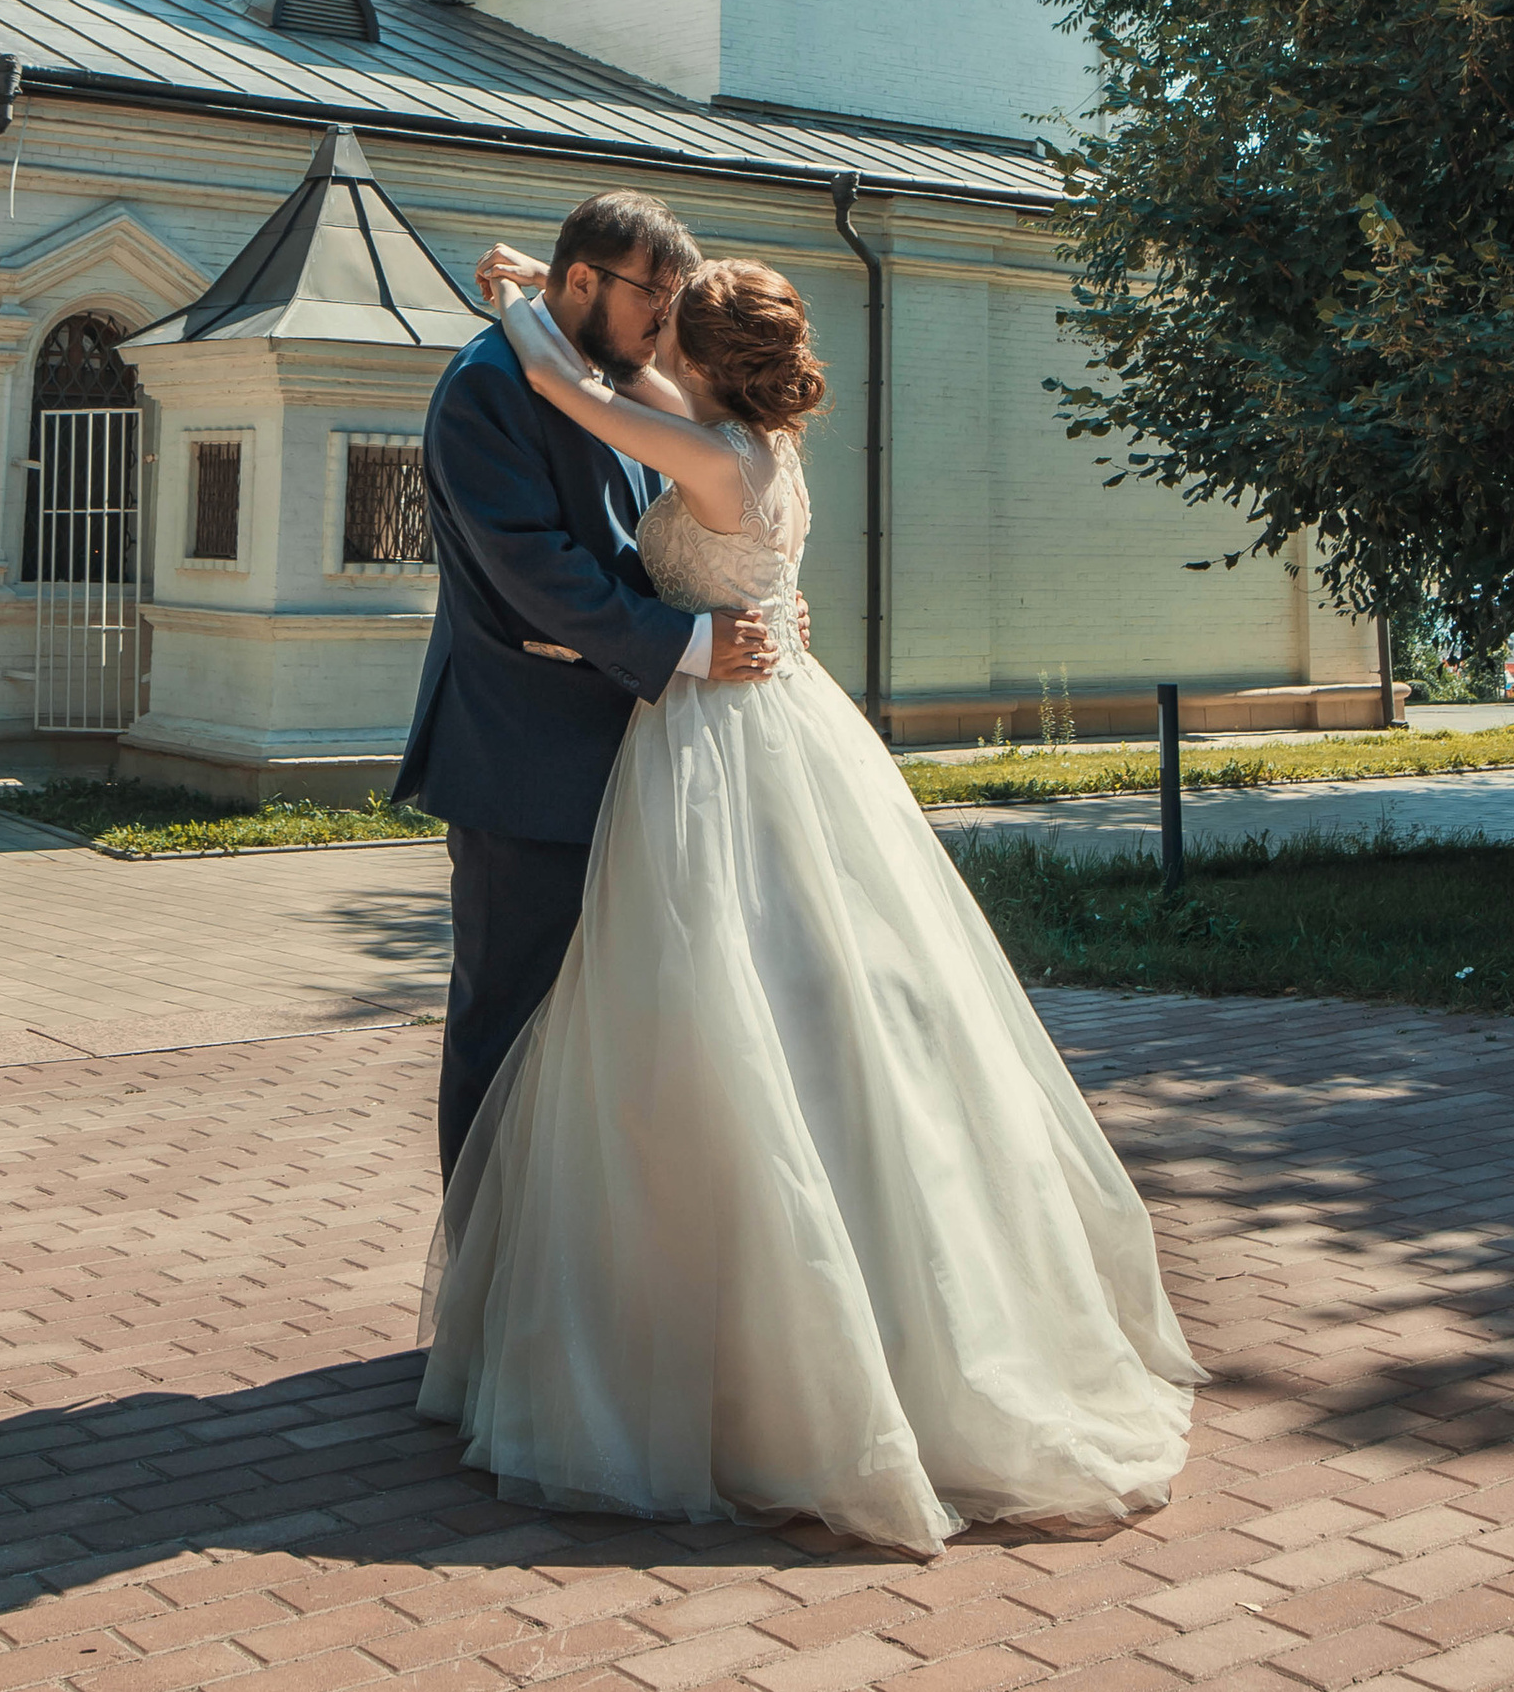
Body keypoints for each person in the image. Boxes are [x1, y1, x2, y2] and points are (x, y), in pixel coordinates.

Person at [418, 247, 1200, 1555]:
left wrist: (513, 303)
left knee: (710, 1001)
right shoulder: (763, 444)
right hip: (781, 715)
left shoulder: (702, 449)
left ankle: (734, 1351)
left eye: (672, 324)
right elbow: (640, 402)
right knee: (807, 1000)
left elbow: (570, 391)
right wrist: (528, 281)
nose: (652, 336)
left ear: (708, 355)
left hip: (714, 739)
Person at [393, 189, 786, 1182]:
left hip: (636, 758)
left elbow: (685, 533)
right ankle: (488, 1287)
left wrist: (759, 612)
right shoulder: (487, 388)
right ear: (581, 281)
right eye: (653, 297)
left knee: (612, 1038)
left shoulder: (607, 377)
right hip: (526, 765)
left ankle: (567, 1292)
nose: (666, 323)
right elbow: (538, 573)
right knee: (511, 1026)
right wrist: (696, 642)